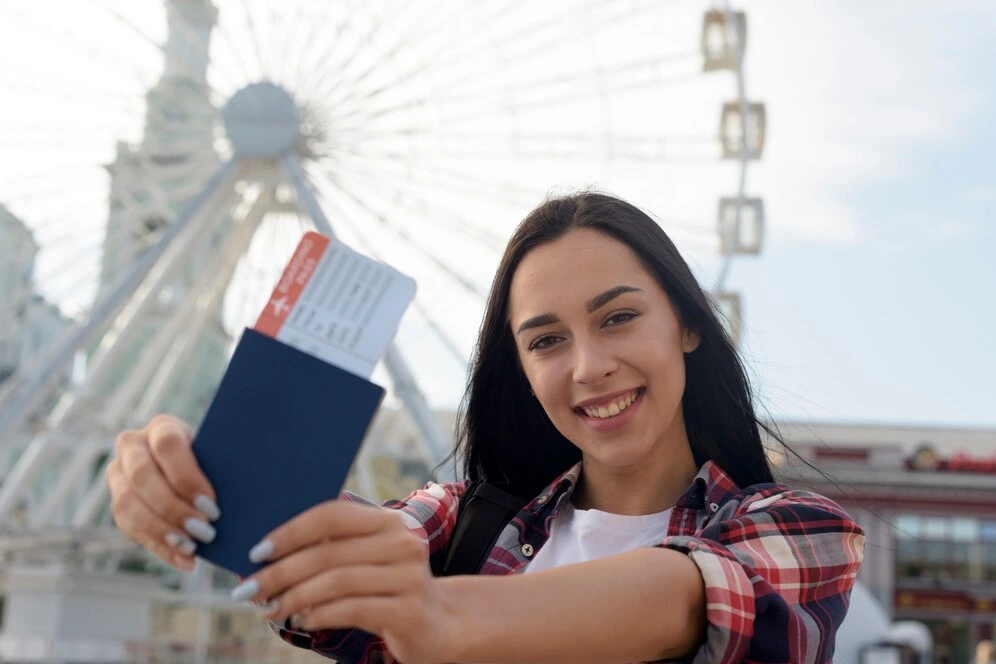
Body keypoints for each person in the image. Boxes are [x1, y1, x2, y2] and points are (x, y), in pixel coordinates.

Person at [107, 191, 865, 664]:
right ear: (523, 369)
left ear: (689, 327)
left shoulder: (800, 530)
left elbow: (685, 597)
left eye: (620, 317)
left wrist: (439, 618)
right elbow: (328, 551)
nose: (589, 366)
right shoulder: (455, 521)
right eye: (546, 340)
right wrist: (194, 483)